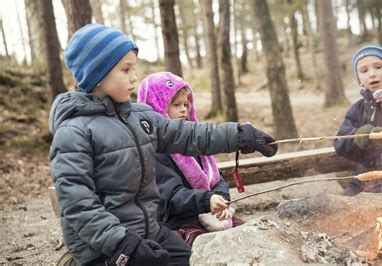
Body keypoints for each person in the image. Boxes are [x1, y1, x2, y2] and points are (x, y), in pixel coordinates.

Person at [49, 24, 277, 265]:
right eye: (125, 70)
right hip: (106, 248)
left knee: (199, 260)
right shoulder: (73, 133)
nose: (134, 77)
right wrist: (123, 244)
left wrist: (238, 135)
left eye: (133, 68)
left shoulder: (140, 117)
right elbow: (79, 206)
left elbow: (189, 135)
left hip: (150, 233)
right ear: (96, 74)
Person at [137, 72, 245, 246]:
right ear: (157, 108)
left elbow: (215, 176)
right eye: (176, 105)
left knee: (244, 233)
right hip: (176, 221)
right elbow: (169, 196)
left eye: (186, 104)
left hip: (207, 212)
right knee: (200, 245)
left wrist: (219, 200)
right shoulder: (153, 151)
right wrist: (206, 201)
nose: (183, 110)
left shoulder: (192, 142)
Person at [333, 44, 382, 196]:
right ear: (360, 81)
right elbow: (340, 143)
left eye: (378, 67)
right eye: (364, 70)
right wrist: (361, 137)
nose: (372, 74)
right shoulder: (358, 109)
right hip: (366, 180)